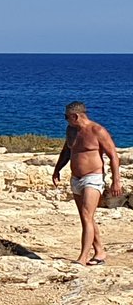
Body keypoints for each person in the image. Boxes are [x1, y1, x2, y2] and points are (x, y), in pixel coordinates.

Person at [53, 101, 122, 267]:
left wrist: (116, 181)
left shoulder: (97, 131)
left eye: (66, 117)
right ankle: (99, 251)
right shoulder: (71, 130)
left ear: (76, 116)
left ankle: (83, 257)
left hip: (93, 177)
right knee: (87, 218)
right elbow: (67, 151)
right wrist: (57, 170)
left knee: (86, 216)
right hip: (76, 179)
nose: (65, 120)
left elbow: (113, 155)